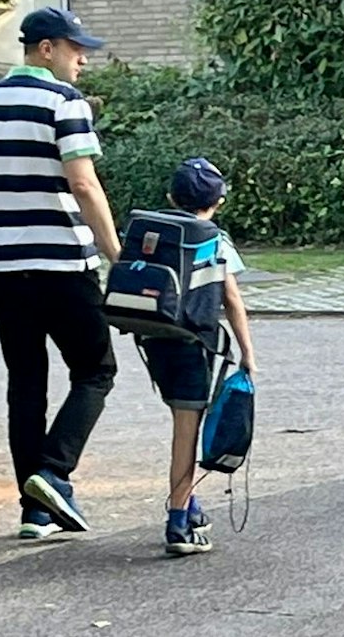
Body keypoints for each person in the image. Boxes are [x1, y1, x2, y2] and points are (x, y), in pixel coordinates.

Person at [0, 7, 123, 541]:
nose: (83, 59)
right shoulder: (63, 102)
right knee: (96, 368)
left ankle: (34, 513)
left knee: (26, 381)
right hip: (59, 261)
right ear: (45, 49)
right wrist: (115, 253)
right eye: (76, 49)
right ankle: (53, 472)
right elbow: (84, 184)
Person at [136, 157, 257, 556]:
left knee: (181, 418)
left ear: (171, 196)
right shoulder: (214, 238)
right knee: (186, 433)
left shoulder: (155, 230)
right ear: (218, 201)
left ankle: (189, 501)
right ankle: (178, 523)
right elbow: (232, 299)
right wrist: (247, 354)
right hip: (193, 342)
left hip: (154, 339)